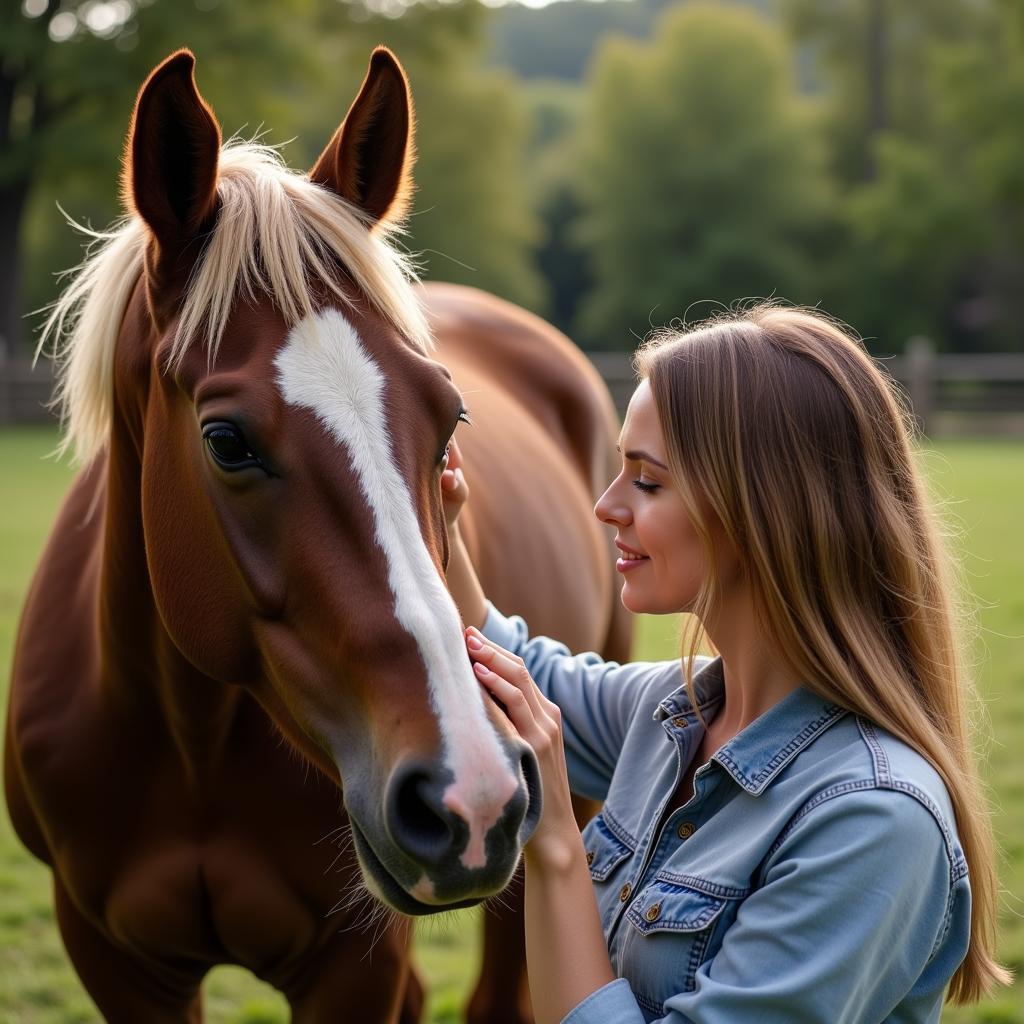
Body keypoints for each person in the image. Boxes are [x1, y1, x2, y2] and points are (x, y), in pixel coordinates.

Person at [439, 303, 1009, 1024]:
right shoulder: (672, 714)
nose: (606, 507)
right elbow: (510, 668)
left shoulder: (873, 822)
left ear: (762, 511)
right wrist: (441, 522)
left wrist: (555, 845)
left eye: (646, 482)